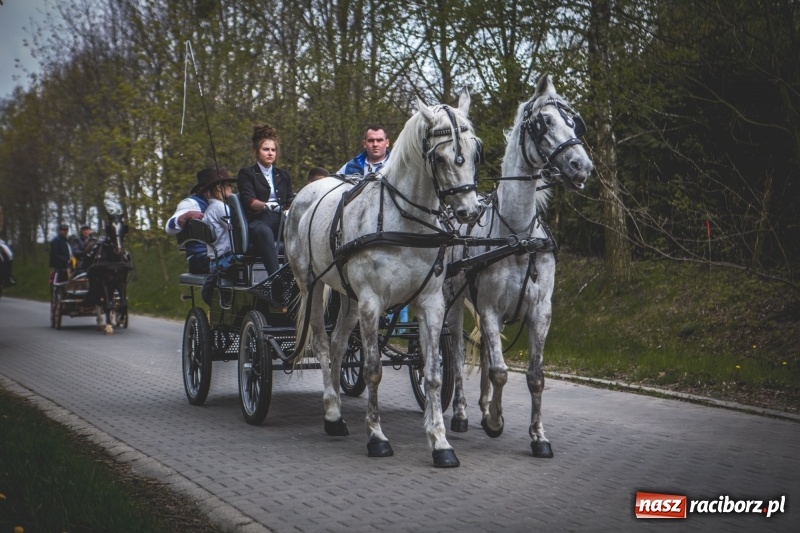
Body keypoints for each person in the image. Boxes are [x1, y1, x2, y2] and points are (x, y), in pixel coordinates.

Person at [237, 124, 295, 276]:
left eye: (273, 150)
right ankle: (275, 277)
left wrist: (289, 209)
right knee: (264, 232)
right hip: (259, 219)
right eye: (266, 149)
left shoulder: (283, 175)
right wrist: (266, 206)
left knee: (297, 228)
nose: (270, 153)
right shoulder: (247, 174)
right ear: (256, 151)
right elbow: (249, 200)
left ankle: (294, 274)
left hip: (281, 218)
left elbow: (290, 198)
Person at [164, 168, 226, 274]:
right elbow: (169, 228)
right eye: (217, 187)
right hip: (200, 258)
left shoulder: (224, 203)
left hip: (220, 255)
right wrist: (186, 216)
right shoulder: (191, 203)